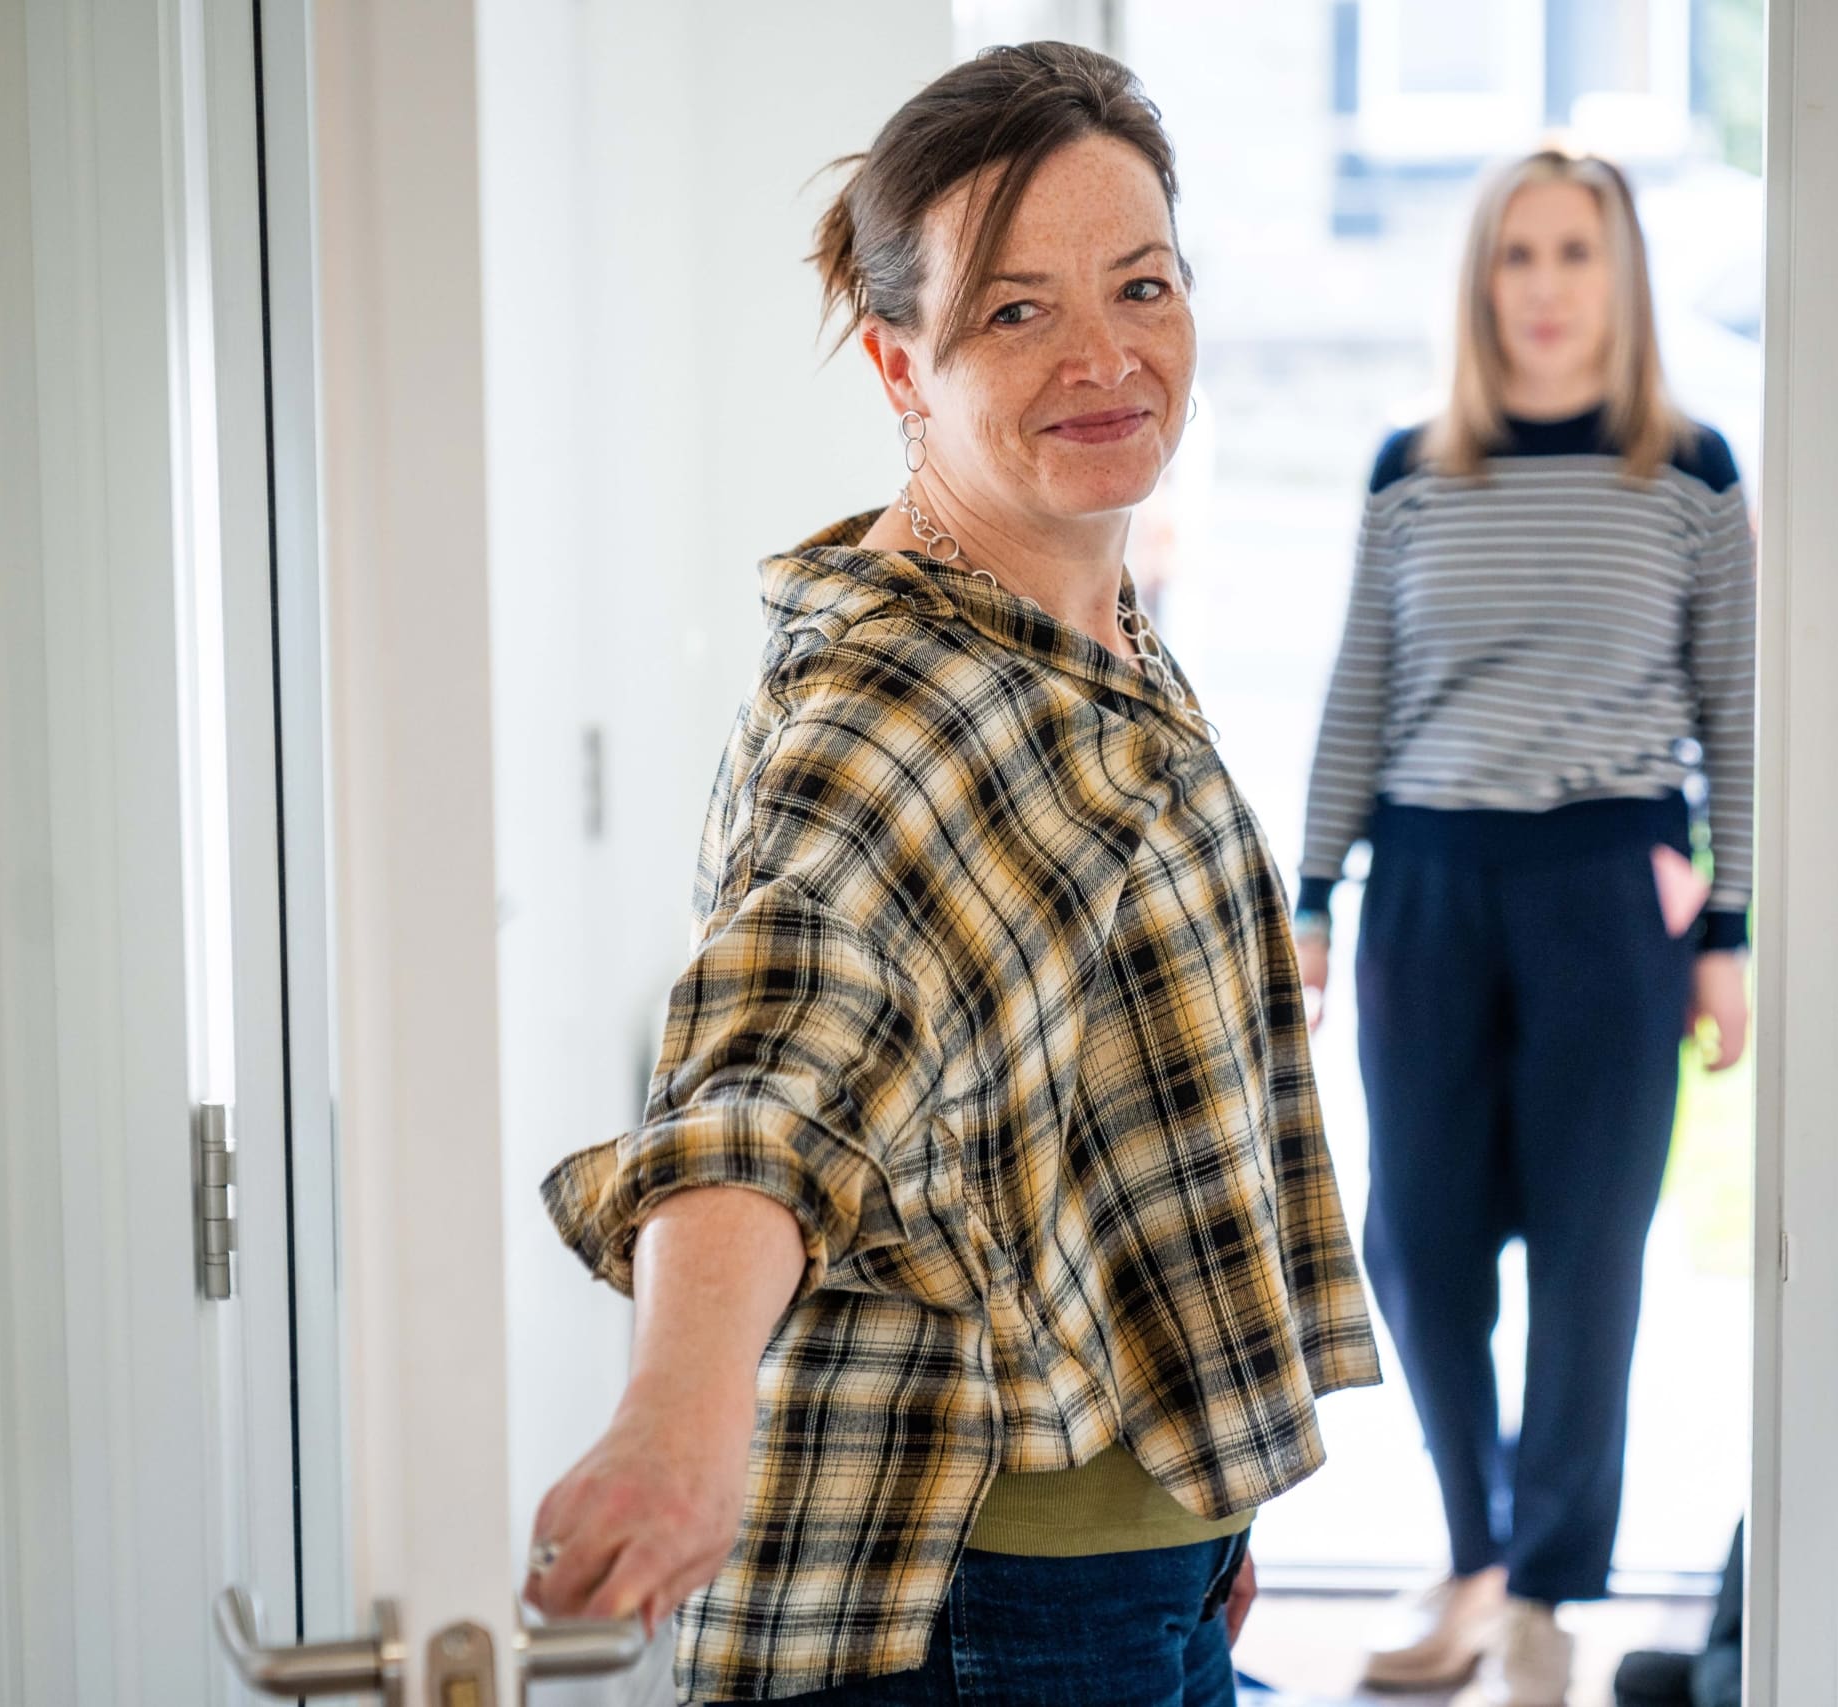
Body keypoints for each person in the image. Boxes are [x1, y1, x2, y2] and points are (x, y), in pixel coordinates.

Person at [529, 43, 1381, 1707]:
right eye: (1015, 312)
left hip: (1124, 1564)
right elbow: (774, 1063)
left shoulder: (1088, 617)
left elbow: (1091, 1104)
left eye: (1142, 286)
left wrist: (1204, 1493)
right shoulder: (890, 705)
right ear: (899, 365)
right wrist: (678, 1413)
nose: (1105, 356)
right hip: (987, 1608)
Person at [1292, 149, 1756, 1706]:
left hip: (1609, 898)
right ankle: (1477, 1548)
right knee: (1415, 1244)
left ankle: (1548, 1597)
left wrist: (1731, 927)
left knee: (1587, 1260)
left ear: (1619, 280)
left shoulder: (1689, 475)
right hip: (1426, 888)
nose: (1547, 287)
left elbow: (1733, 717)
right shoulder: (1411, 471)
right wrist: (1308, 892)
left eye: (1576, 254)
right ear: (1480, 283)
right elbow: (1359, 693)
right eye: (1518, 257)